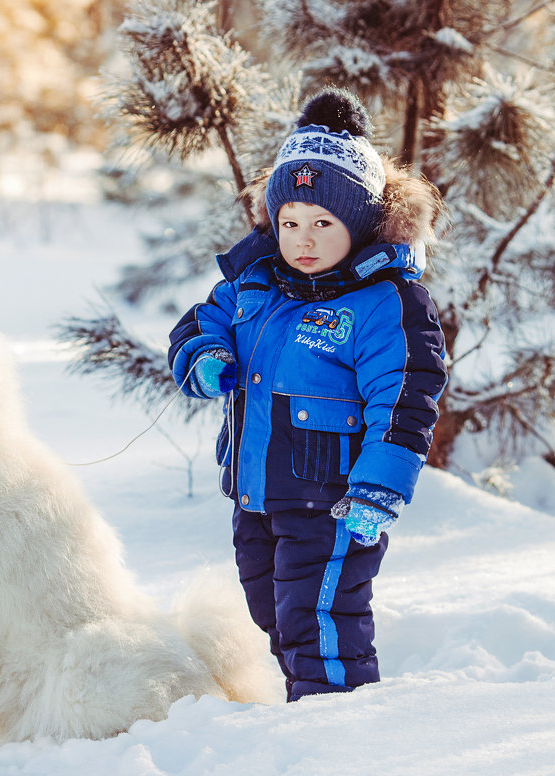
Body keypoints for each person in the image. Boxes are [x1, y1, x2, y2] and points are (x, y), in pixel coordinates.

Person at [168, 87, 448, 701]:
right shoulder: (258, 281)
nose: (304, 239)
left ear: (362, 223)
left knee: (319, 624)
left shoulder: (386, 302)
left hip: (337, 502)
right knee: (273, 613)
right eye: (290, 222)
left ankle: (337, 733)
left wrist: (378, 487)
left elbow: (405, 398)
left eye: (323, 223)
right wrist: (207, 356)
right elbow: (200, 324)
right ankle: (312, 707)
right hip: (257, 495)